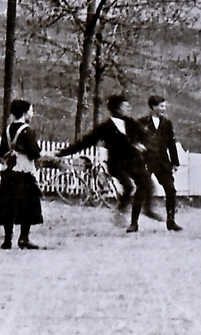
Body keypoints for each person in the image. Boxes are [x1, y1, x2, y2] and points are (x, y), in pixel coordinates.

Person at [57, 95, 153, 233]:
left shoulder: (131, 123)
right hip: (117, 164)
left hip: (133, 161)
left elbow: (145, 136)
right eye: (126, 106)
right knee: (128, 186)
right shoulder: (105, 127)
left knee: (146, 184)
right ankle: (121, 212)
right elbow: (86, 142)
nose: (129, 108)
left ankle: (138, 218)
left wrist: (140, 144)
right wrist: (63, 153)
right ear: (117, 109)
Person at [0, 99, 43, 249]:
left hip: (9, 173)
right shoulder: (28, 131)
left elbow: (2, 150)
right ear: (24, 113)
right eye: (31, 111)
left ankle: (7, 239)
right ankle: (24, 238)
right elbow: (34, 152)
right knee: (27, 205)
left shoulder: (8, 130)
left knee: (8, 205)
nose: (32, 114)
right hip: (24, 173)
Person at [139, 95, 183, 232]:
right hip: (146, 161)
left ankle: (171, 221)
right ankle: (134, 223)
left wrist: (175, 162)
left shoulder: (167, 123)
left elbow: (171, 144)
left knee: (171, 189)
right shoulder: (142, 122)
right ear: (153, 107)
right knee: (140, 190)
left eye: (165, 106)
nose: (164, 109)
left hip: (163, 162)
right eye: (161, 106)